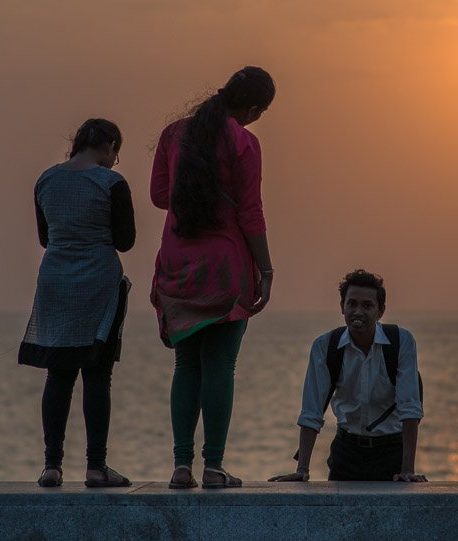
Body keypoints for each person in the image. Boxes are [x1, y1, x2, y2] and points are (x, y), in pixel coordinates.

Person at [150, 67, 275, 489]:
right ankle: (214, 466)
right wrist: (267, 270)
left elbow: (158, 196)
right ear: (253, 108)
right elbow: (250, 211)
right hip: (226, 266)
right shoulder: (244, 141)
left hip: (178, 263)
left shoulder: (173, 134)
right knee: (220, 366)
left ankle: (181, 466)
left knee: (186, 364)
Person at [19, 118, 135, 488]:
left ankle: (52, 465)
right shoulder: (111, 183)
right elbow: (126, 240)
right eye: (116, 153)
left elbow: (45, 237)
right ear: (109, 146)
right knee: (97, 375)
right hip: (98, 283)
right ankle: (96, 467)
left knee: (59, 373)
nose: (114, 161)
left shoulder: (46, 180)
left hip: (55, 281)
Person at [269, 270, 427, 482]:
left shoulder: (401, 341)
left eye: (367, 305)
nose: (358, 311)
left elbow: (410, 408)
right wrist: (302, 470)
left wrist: (408, 469)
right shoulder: (325, 346)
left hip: (391, 450)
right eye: (351, 304)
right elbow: (312, 410)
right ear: (342, 307)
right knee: (338, 515)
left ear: (381, 311)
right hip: (346, 451)